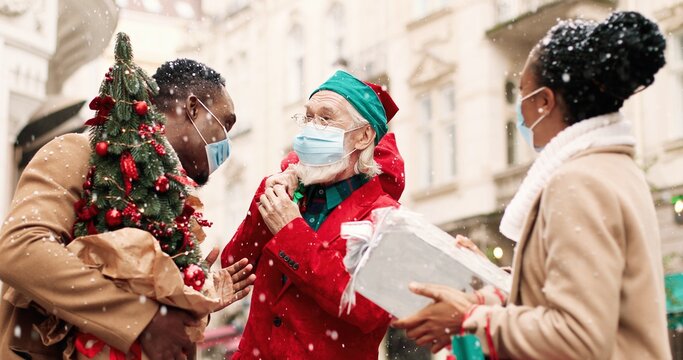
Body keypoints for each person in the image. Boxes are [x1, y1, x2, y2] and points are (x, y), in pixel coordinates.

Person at [394, 11, 672, 360]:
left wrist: (468, 318)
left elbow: (579, 337)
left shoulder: (578, 183)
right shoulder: (610, 169)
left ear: (544, 101)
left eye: (521, 92)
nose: (521, 112)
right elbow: (579, 300)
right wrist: (492, 279)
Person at [0, 59, 255, 360]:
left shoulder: (174, 206)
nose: (225, 144)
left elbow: (162, 329)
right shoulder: (79, 153)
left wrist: (195, 297)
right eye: (225, 125)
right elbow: (19, 249)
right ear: (193, 108)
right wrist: (142, 320)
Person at [221, 70, 405, 359]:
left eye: (326, 118)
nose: (310, 128)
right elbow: (234, 264)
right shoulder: (290, 193)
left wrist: (291, 232)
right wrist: (265, 201)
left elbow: (370, 310)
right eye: (308, 117)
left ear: (364, 136)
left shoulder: (385, 216)